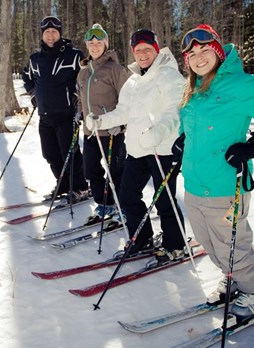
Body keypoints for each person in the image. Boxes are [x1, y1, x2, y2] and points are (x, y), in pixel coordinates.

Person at [176, 24, 254, 319]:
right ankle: (236, 280)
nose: (198, 57)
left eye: (204, 50)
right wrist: (181, 141)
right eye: (192, 53)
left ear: (216, 51)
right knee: (210, 244)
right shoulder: (193, 89)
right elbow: (190, 125)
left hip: (227, 185)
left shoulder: (239, 84)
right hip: (194, 183)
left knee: (233, 245)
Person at [85, 29, 187, 262]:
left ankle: (176, 244)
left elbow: (176, 111)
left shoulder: (170, 76)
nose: (142, 54)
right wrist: (101, 121)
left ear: (156, 48)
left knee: (164, 200)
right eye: (137, 49)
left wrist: (159, 131)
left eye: (146, 49)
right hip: (137, 149)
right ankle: (141, 239)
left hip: (162, 149)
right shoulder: (132, 80)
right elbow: (123, 112)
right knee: (127, 196)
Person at [22, 16, 89, 202]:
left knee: (71, 154)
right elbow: (26, 76)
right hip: (44, 115)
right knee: (50, 154)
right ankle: (64, 185)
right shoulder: (35, 58)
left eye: (54, 31)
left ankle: (81, 187)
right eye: (47, 32)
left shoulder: (74, 55)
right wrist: (33, 94)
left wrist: (79, 100)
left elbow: (87, 77)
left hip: (67, 114)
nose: (50, 35)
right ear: (42, 35)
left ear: (60, 33)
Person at [76, 24, 131, 224]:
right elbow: (81, 98)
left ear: (105, 45)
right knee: (90, 170)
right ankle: (104, 203)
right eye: (91, 43)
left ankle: (122, 205)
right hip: (91, 131)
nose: (95, 46)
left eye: (99, 43)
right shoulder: (83, 72)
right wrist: (79, 113)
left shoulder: (116, 70)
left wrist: (122, 124)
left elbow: (128, 99)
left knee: (116, 170)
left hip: (112, 131)